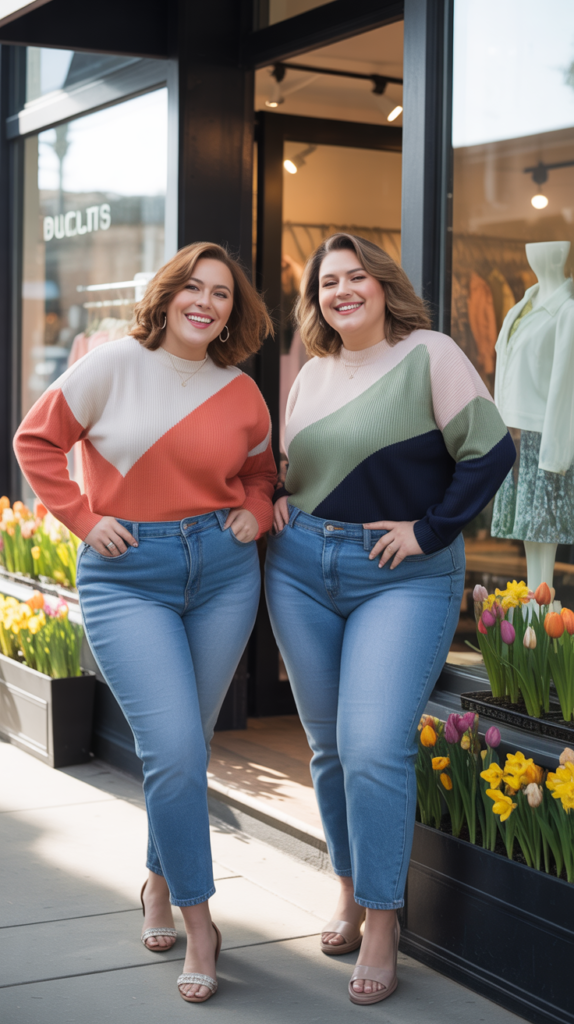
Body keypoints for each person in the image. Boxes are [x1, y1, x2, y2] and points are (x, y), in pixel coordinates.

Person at [14, 242, 276, 1005]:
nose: (206, 302)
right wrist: (83, 519)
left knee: (182, 751)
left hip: (223, 575)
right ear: (165, 296)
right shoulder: (109, 364)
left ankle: (158, 886)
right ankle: (202, 924)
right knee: (172, 747)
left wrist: (256, 514)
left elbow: (262, 475)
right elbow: (37, 443)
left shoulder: (242, 391)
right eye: (192, 287)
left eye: (221, 293)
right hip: (129, 574)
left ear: (235, 309)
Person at [265, 233, 515, 1005]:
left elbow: (492, 450)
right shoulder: (309, 375)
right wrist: (278, 497)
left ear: (382, 285)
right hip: (302, 569)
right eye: (327, 281)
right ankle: (348, 885)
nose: (342, 290)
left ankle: (382, 918)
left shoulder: (429, 353)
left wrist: (430, 530)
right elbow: (298, 469)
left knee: (374, 744)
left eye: (355, 276)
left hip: (399, 575)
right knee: (332, 747)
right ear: (316, 300)